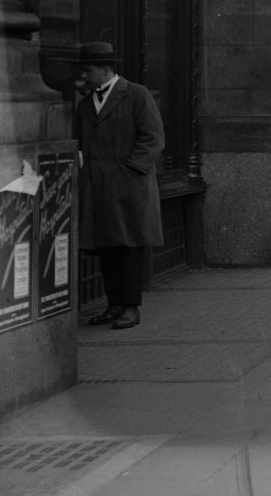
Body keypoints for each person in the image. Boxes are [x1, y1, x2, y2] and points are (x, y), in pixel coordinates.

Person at [73, 41, 164, 330]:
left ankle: (130, 307)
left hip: (129, 187)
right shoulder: (86, 104)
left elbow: (153, 138)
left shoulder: (136, 94)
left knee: (128, 247)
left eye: (88, 70)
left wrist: (129, 171)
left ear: (105, 69)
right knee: (107, 247)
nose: (84, 76)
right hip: (98, 187)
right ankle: (114, 304)